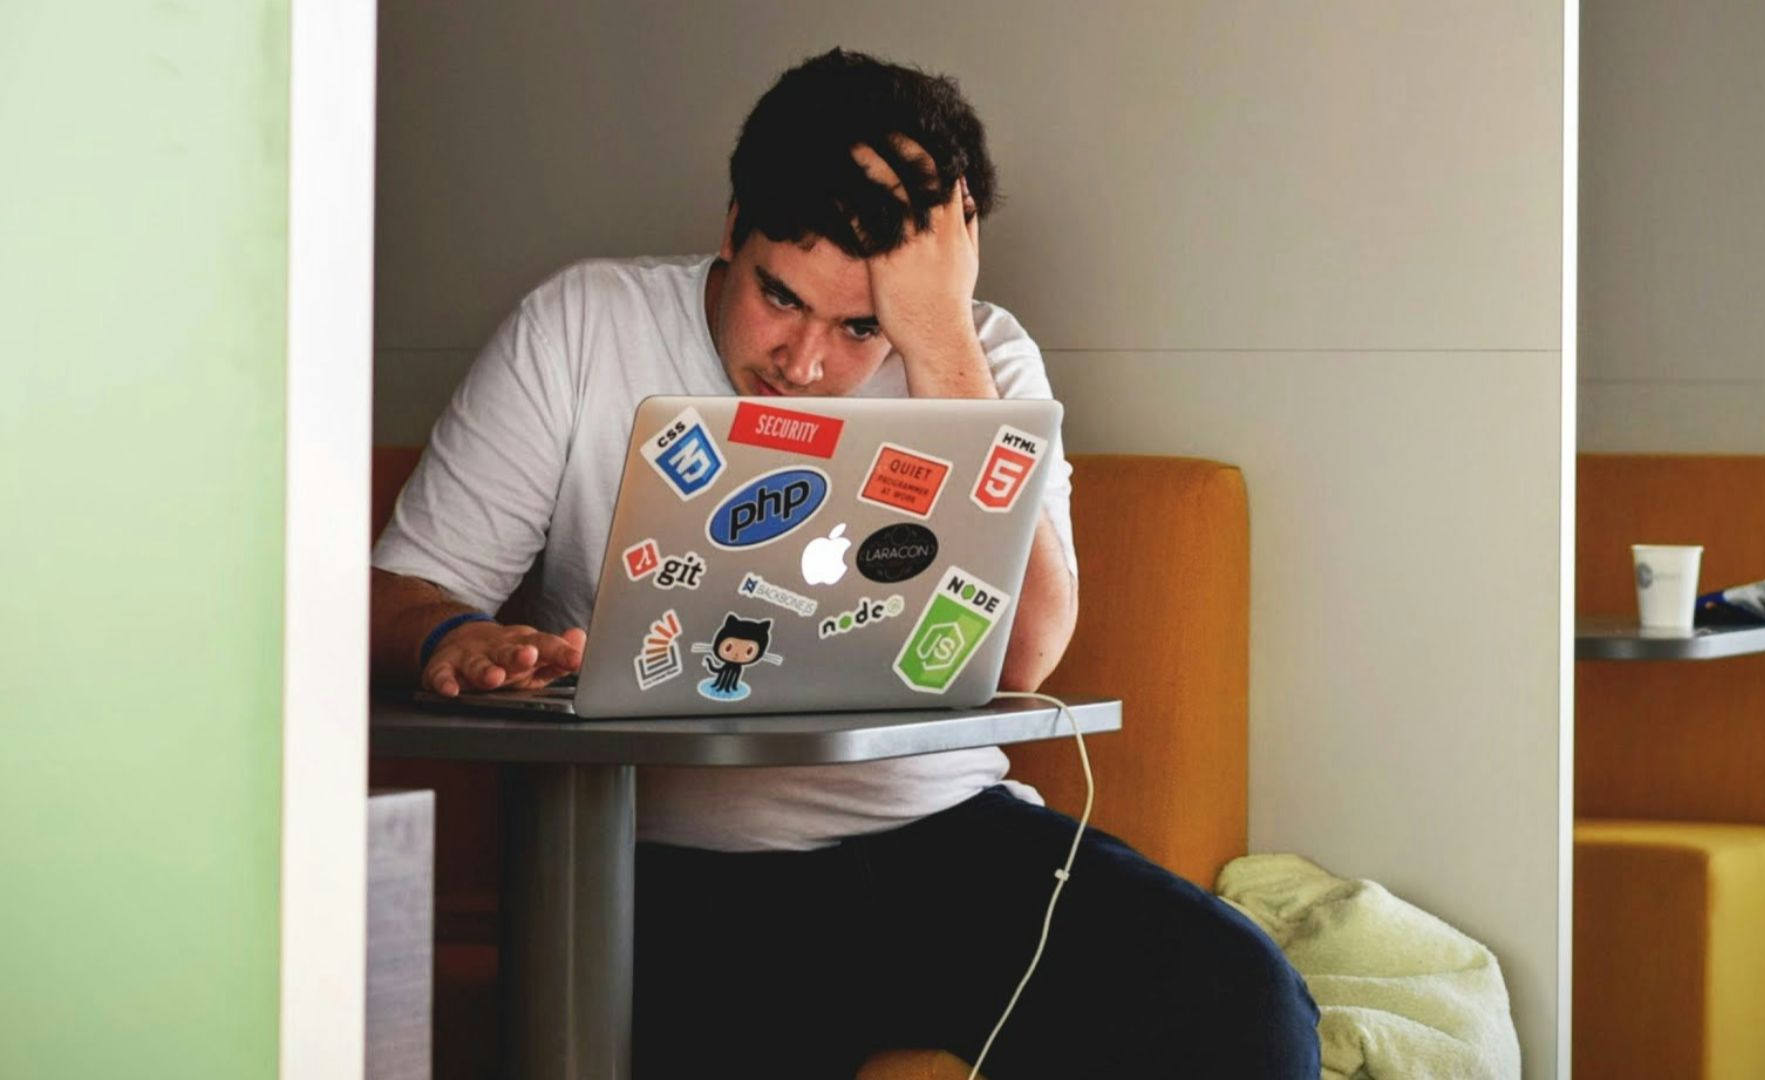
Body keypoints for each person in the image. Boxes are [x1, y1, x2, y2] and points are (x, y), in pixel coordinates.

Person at [370, 47, 1319, 1079]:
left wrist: (939, 343)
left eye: (860, 325)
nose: (805, 363)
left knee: (1246, 1007)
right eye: (780, 298)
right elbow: (396, 596)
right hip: (671, 868)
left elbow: (1028, 657)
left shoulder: (980, 357)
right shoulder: (582, 325)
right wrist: (460, 638)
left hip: (944, 837)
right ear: (732, 227)